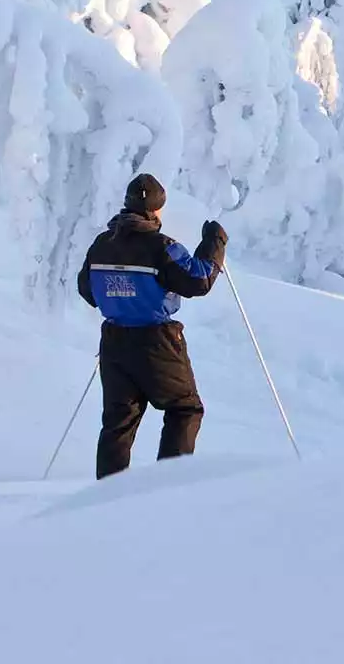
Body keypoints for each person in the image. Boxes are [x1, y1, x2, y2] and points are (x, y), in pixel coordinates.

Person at [77, 173, 228, 478]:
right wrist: (215, 243)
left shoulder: (102, 245)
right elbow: (198, 281)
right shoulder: (162, 247)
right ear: (157, 210)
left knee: (118, 422)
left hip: (115, 342)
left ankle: (106, 497)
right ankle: (166, 489)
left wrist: (119, 298)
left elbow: (87, 289)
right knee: (184, 408)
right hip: (156, 342)